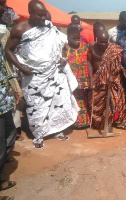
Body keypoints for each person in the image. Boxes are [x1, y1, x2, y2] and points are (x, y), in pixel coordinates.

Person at [5, 0, 79, 148]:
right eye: (39, 15)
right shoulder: (19, 29)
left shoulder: (49, 26)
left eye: (44, 15)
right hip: (34, 76)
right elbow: (8, 50)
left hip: (54, 73)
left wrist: (62, 58)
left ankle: (56, 130)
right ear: (30, 13)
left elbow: (62, 42)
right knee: (37, 107)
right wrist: (21, 67)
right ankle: (39, 135)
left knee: (57, 103)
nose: (43, 18)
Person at [88, 30, 126, 129]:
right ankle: (99, 123)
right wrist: (91, 79)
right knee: (94, 101)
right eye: (101, 41)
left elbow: (117, 66)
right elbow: (89, 62)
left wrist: (112, 76)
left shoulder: (113, 49)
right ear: (96, 40)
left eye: (105, 41)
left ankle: (108, 123)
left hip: (111, 80)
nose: (103, 44)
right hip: (98, 80)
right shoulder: (92, 47)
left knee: (111, 102)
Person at [0, 0, 16, 191]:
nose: (4, 8)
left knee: (9, 131)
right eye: (2, 4)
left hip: (4, 97)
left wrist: (13, 87)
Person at [66, 25, 92, 128]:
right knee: (73, 102)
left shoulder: (85, 47)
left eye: (78, 38)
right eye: (74, 39)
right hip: (71, 82)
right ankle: (75, 123)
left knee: (84, 101)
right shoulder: (65, 49)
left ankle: (85, 122)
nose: (77, 41)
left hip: (84, 81)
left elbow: (90, 62)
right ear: (68, 37)